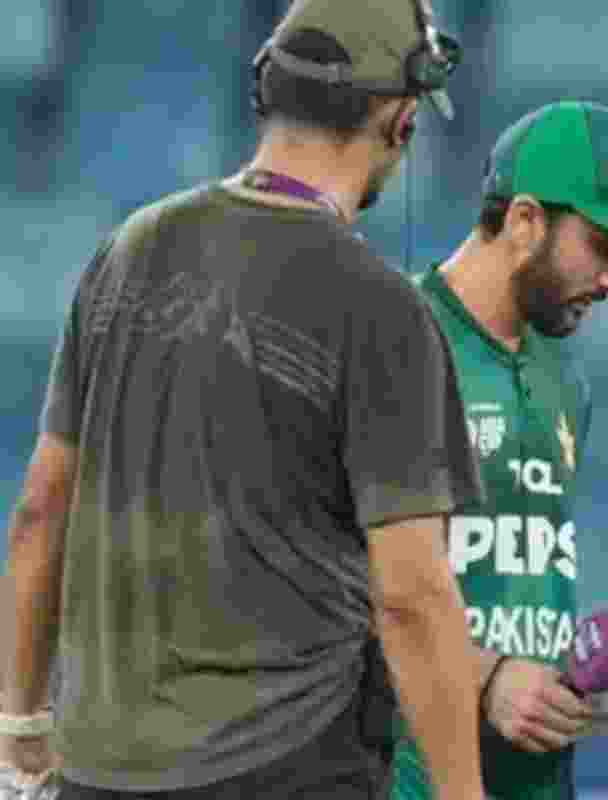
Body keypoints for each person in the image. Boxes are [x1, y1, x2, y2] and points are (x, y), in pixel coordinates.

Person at [0, 2, 490, 798]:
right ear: (400, 120)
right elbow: (411, 595)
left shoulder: (128, 251)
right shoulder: (378, 307)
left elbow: (38, 514)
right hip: (289, 768)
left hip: (100, 770)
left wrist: (19, 726)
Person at [385, 100, 608, 800]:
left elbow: (511, 590)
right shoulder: (395, 343)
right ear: (526, 221)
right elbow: (329, 595)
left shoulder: (563, 374)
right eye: (607, 247)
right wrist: (487, 677)